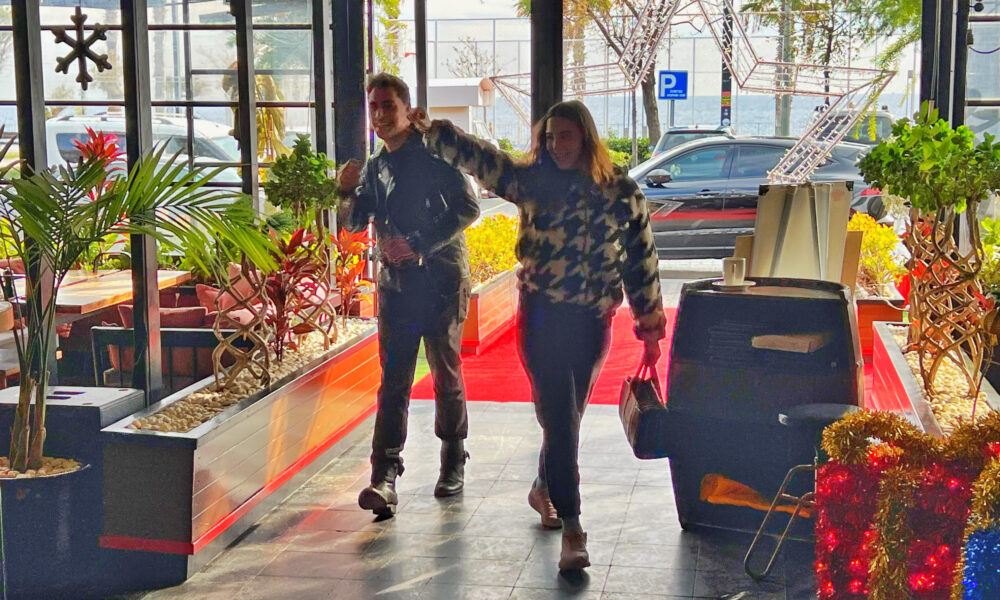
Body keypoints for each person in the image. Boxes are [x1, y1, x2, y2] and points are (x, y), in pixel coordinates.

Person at [408, 100, 665, 570]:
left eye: (565, 136)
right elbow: (483, 159)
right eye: (549, 138)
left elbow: (641, 261)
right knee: (561, 420)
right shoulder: (532, 182)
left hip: (593, 324)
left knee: (567, 419)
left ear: (585, 138)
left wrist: (649, 329)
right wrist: (434, 132)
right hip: (542, 320)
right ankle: (574, 528)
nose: (556, 146)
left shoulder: (620, 192)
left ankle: (543, 486)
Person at [338, 73, 480, 518]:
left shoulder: (434, 155)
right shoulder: (375, 166)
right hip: (396, 286)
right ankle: (384, 476)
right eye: (374, 106)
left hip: (441, 280)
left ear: (405, 108)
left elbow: (469, 207)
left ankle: (453, 459)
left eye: (388, 105)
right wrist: (345, 190)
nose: (379, 114)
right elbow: (354, 223)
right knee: (394, 381)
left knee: (445, 373)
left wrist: (418, 243)